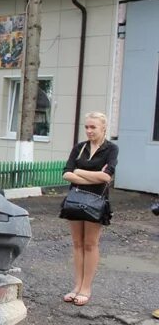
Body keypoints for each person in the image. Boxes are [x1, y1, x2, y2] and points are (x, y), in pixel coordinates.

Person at [60, 111, 118, 307]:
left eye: (93, 127)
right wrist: (91, 175)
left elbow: (107, 177)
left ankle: (86, 288)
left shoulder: (111, 149)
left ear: (103, 128)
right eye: (87, 127)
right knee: (77, 243)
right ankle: (76, 286)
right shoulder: (79, 147)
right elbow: (66, 173)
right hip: (75, 199)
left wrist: (79, 171)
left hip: (96, 201)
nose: (89, 130)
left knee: (90, 244)